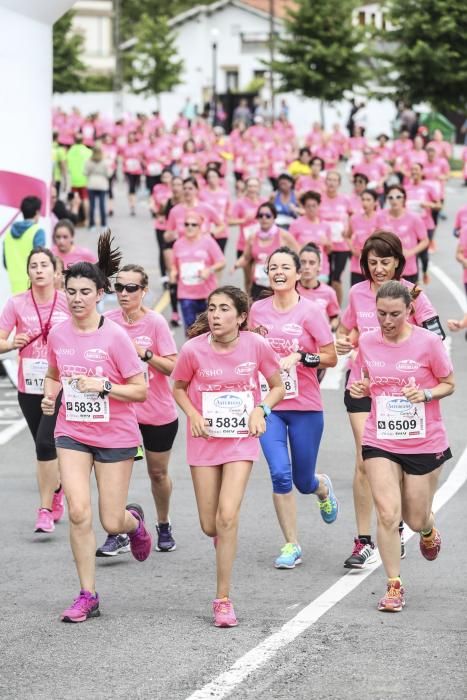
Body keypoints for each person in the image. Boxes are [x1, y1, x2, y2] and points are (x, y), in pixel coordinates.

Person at [41, 232, 151, 623]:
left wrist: (105, 386)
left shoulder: (116, 337)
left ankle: (133, 523)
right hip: (71, 431)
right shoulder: (58, 333)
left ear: (101, 293)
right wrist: (51, 395)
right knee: (78, 513)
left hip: (116, 436)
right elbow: (54, 372)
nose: (76, 298)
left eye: (85, 291)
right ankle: (87, 593)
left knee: (110, 519)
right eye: (70, 291)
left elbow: (141, 390)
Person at [172, 285, 284, 626]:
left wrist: (260, 410)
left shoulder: (256, 345)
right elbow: (177, 387)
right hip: (205, 440)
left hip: (240, 440)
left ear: (241, 317)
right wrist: (192, 414)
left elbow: (277, 386)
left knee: (227, 516)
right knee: (210, 525)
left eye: (223, 309)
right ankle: (223, 538)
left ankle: (222, 598)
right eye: (212, 308)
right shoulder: (192, 350)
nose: (216, 315)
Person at [336, 232, 443, 570]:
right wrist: (343, 342)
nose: (379, 268)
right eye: (372, 263)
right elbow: (346, 331)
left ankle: (401, 521)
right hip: (365, 386)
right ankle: (365, 538)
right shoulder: (356, 293)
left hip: (403, 394)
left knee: (396, 465)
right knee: (366, 459)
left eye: (385, 261)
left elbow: (436, 335)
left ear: (398, 261)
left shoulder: (412, 293)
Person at [349, 280, 453, 612]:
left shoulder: (428, 343)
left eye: (394, 314)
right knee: (388, 513)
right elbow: (365, 380)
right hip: (381, 438)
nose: (387, 321)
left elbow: (448, 384)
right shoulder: (367, 341)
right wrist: (362, 388)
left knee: (414, 516)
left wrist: (424, 394)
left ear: (409, 311)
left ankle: (427, 529)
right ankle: (394, 586)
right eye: (381, 314)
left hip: (423, 440)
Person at [249, 247, 339, 569]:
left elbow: (331, 357)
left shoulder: (311, 312)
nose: (278, 271)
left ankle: (321, 487)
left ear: (298, 274)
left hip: (305, 406)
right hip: (268, 405)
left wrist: (302, 357)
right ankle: (291, 544)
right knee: (279, 474)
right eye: (273, 266)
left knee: (302, 480)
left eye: (285, 267)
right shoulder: (256, 311)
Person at [96, 264, 179, 555]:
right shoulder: (106, 321)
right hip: (121, 413)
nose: (124, 293)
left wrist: (143, 353)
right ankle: (117, 529)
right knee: (116, 475)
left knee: (158, 474)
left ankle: (163, 523)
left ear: (144, 291)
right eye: (119, 287)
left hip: (156, 411)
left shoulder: (155, 323)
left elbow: (174, 367)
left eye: (131, 288)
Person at [0, 247, 69, 532]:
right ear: (28, 272)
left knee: (45, 443)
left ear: (55, 272)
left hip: (61, 385)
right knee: (45, 447)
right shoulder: (16, 304)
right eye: (34, 266)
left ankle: (44, 509)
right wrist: (13, 343)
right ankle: (58, 488)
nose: (39, 270)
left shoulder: (67, 302)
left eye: (44, 265)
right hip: (28, 385)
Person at [170, 211, 226, 333]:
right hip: (186, 294)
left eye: (193, 224)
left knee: (210, 330)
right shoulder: (178, 244)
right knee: (191, 331)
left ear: (200, 226)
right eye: (187, 224)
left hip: (207, 293)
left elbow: (221, 262)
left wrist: (209, 270)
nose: (190, 227)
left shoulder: (208, 242)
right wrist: (173, 273)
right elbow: (174, 265)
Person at [234, 203, 298, 300]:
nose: (264, 218)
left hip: (278, 283)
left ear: (274, 217)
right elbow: (246, 257)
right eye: (260, 216)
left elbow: (298, 255)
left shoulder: (284, 235)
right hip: (258, 284)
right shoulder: (252, 237)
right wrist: (236, 265)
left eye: (268, 216)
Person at [375, 185, 428, 284]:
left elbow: (425, 241)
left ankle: (419, 287)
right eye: (391, 197)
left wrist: (410, 252)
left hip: (409, 268)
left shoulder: (414, 218)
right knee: (390, 298)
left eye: (398, 197)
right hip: (387, 269)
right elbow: (375, 238)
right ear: (387, 199)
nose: (394, 200)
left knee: (414, 295)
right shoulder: (380, 216)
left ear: (404, 198)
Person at [3, 196, 46, 294]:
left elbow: (6, 264)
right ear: (37, 212)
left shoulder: (8, 234)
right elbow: (41, 260)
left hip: (14, 286)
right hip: (33, 287)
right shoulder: (37, 231)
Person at [290, 191, 332, 282]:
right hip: (302, 269)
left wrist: (327, 244)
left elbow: (329, 251)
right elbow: (290, 248)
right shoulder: (296, 224)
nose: (311, 209)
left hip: (321, 270)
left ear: (318, 206)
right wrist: (301, 247)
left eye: (314, 206)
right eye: (308, 206)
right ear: (304, 207)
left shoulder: (325, 225)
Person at [297, 243, 340, 331]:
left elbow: (335, 318)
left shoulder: (329, 292)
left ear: (319, 266)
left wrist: (330, 328)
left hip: (319, 341)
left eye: (312, 263)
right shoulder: (290, 289)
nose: (307, 267)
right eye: (303, 262)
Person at [347, 189, 378, 286]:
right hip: (357, 266)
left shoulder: (381, 218)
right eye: (363, 199)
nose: (365, 203)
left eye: (368, 200)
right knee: (356, 295)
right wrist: (352, 249)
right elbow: (347, 236)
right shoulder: (354, 219)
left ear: (375, 202)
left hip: (375, 267)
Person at [66, 133, 92, 225]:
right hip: (85, 179)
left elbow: (67, 163)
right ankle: (87, 219)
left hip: (73, 179)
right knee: (85, 199)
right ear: (83, 140)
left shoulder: (70, 151)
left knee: (74, 200)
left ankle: (74, 219)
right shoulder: (88, 151)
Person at [84, 147, 109, 230]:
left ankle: (92, 225)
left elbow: (85, 172)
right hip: (102, 184)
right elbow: (108, 173)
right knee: (102, 205)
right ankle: (103, 224)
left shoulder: (89, 161)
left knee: (92, 205)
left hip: (92, 183)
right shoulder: (104, 162)